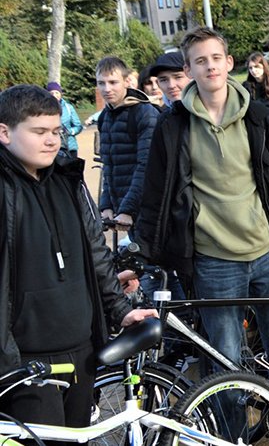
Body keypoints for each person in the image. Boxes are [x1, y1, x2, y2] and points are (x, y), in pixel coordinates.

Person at [131, 26, 269, 391]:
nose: (210, 67)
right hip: (213, 262)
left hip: (268, 254)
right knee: (224, 363)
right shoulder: (173, 126)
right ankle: (233, 436)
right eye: (200, 61)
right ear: (189, 69)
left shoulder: (258, 118)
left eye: (216, 58)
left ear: (229, 63)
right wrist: (142, 258)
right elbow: (156, 196)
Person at [0, 84, 156, 446]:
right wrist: (8, 367)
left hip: (83, 352)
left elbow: (97, 253)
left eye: (56, 131)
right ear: (5, 132)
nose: (52, 141)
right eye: (39, 132)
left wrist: (120, 310)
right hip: (27, 364)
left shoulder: (70, 180)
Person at [95, 56, 160, 231]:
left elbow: (146, 166)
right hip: (124, 210)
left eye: (113, 82)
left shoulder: (145, 113)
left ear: (126, 82)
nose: (106, 89)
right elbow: (108, 166)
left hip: (150, 210)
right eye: (101, 83)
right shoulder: (104, 117)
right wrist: (106, 205)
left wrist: (128, 210)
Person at [46, 82, 82, 158]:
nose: (54, 95)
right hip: (51, 148)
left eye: (57, 92)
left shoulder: (69, 108)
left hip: (70, 147)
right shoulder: (43, 109)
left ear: (60, 94)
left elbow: (78, 126)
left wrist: (70, 131)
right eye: (51, 93)